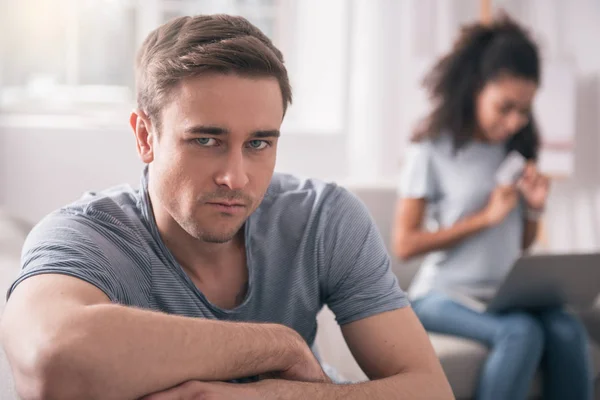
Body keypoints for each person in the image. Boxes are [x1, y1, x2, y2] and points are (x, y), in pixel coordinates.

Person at [0, 14, 453, 400]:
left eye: (258, 143)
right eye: (206, 140)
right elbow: (50, 360)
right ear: (144, 136)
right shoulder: (85, 236)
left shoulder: (322, 218)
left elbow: (431, 389)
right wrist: (279, 346)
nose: (235, 178)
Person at [392, 15, 592, 400]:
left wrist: (533, 209)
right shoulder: (431, 150)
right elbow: (404, 244)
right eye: (505, 107)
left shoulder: (513, 150)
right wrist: (485, 218)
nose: (515, 120)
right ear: (475, 90)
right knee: (521, 332)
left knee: (568, 330)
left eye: (524, 109)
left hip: (503, 295)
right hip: (442, 296)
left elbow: (520, 244)